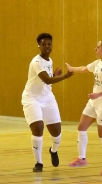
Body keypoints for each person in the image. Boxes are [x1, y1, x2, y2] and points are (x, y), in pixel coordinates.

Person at [66, 39, 102, 176]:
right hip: (93, 102)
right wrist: (72, 69)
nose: (95, 49)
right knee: (81, 127)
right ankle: (82, 158)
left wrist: (99, 94)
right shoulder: (97, 63)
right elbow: (85, 68)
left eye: (98, 47)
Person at [21, 33, 74, 172]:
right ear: (39, 46)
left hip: (47, 98)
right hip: (31, 98)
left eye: (49, 44)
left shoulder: (49, 61)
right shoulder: (36, 61)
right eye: (44, 44)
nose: (47, 47)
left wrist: (54, 75)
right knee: (38, 127)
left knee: (57, 132)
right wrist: (64, 76)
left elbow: (48, 79)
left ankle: (53, 150)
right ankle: (38, 163)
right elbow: (47, 80)